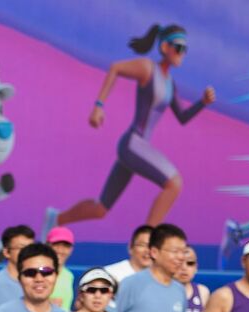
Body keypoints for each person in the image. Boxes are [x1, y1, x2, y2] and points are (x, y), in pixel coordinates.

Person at [51, 23, 214, 230]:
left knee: (101, 208)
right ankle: (148, 242)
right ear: (165, 47)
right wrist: (99, 106)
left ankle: (56, 219)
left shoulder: (170, 84)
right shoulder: (148, 68)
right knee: (174, 184)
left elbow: (182, 117)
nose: (182, 53)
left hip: (137, 146)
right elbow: (116, 67)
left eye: (185, 49)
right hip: (133, 144)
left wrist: (202, 103)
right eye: (179, 47)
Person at [45, 226, 76, 308]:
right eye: (56, 244)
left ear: (71, 249)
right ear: (47, 245)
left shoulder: (69, 276)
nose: (60, 250)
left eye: (66, 246)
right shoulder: (36, 272)